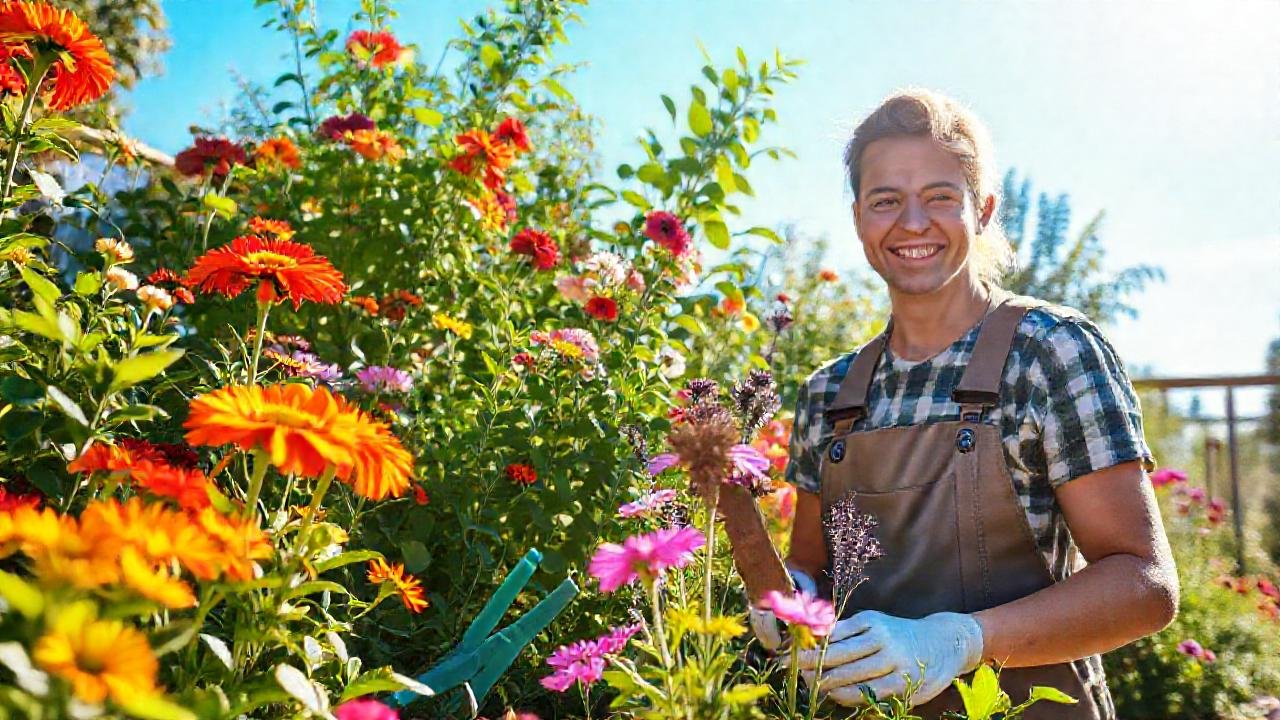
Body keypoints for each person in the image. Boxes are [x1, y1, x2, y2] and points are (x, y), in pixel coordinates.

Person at [750, 88, 1178, 718]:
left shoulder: (1050, 353)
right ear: (859, 219)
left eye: (941, 197)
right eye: (886, 200)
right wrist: (791, 602)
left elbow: (1145, 585)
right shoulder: (830, 394)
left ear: (983, 211)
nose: (913, 223)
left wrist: (958, 642)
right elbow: (812, 565)